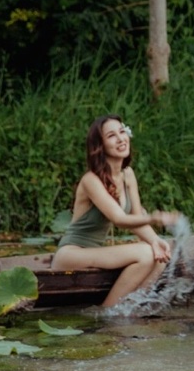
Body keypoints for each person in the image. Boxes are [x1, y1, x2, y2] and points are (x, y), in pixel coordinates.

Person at [52, 114, 184, 308]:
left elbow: (136, 218)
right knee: (146, 254)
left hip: (95, 252)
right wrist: (155, 218)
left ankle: (132, 308)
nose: (121, 138)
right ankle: (108, 311)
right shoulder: (91, 180)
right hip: (72, 253)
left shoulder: (127, 175)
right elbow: (119, 219)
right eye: (112, 136)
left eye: (122, 132)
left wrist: (156, 240)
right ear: (100, 145)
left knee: (160, 256)